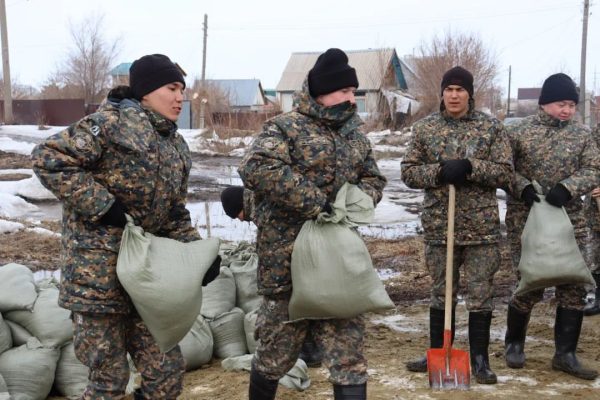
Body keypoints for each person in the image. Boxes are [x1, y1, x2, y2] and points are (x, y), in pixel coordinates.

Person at [31, 54, 219, 399]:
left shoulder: (176, 146)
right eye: (172, 88)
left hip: (147, 282)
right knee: (108, 381)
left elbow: (175, 213)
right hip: (97, 281)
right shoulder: (109, 124)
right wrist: (102, 205)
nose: (181, 97)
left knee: (166, 373)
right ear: (146, 92)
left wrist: (197, 253)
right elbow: (49, 157)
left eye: (183, 90)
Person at [237, 48, 387, 400]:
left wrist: (354, 202)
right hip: (287, 264)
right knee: (275, 354)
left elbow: (374, 179)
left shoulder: (355, 136)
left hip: (338, 263)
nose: (352, 99)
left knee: (349, 357)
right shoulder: (285, 128)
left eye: (354, 92)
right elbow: (257, 167)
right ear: (321, 92)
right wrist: (317, 202)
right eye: (345, 92)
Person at [401, 66, 513, 384]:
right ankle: (438, 349)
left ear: (469, 94)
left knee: (480, 294)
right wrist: (438, 172)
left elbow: (505, 172)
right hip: (440, 227)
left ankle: (479, 358)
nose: (454, 95)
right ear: (442, 93)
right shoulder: (425, 129)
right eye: (449, 89)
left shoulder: (490, 128)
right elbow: (409, 171)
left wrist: (470, 167)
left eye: (460, 89)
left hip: (481, 230)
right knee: (441, 292)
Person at [504, 73, 600, 380]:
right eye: (562, 103)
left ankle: (565, 354)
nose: (567, 110)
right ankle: (514, 344)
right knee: (529, 281)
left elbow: (594, 168)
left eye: (572, 104)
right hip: (528, 220)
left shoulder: (582, 135)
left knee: (573, 286)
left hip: (571, 221)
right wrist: (522, 188)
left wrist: (569, 187)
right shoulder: (519, 133)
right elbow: (504, 169)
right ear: (545, 103)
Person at [220, 186, 324, 368]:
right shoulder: (263, 199)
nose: (242, 220)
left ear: (241, 205)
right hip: (305, 257)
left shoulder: (263, 209)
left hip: (295, 263)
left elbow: (275, 250)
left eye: (238, 215)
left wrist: (268, 287)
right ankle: (310, 348)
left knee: (295, 303)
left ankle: (310, 351)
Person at [584, 124, 600, 315]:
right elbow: (591, 164)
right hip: (596, 209)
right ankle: (598, 298)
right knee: (596, 256)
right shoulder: (596, 131)